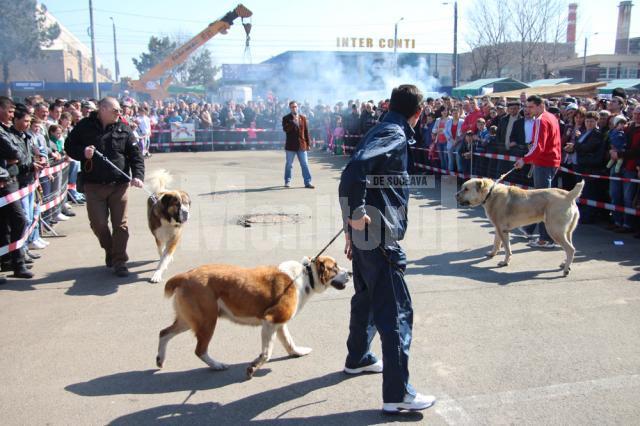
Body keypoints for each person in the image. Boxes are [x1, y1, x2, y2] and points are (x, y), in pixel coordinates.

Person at [339, 84, 435, 413]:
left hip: (368, 233)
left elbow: (356, 175)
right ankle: (398, 393)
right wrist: (355, 215)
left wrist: (350, 224)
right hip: (379, 234)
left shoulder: (382, 128)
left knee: (366, 298)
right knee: (396, 312)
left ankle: (359, 357)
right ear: (418, 113)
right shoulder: (393, 133)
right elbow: (353, 171)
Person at [65, 97, 145, 277]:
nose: (119, 113)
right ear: (102, 109)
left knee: (120, 225)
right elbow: (69, 146)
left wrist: (138, 176)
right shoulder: (84, 126)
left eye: (120, 111)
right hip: (93, 186)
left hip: (119, 185)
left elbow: (136, 156)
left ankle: (120, 261)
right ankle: (110, 250)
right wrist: (82, 153)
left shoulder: (123, 128)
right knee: (98, 224)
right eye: (115, 110)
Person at [515, 95, 562, 248]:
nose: (527, 110)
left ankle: (546, 238)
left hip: (544, 163)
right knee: (539, 198)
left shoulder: (541, 120)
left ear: (541, 105)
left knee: (543, 201)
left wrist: (524, 159)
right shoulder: (551, 117)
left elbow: (537, 146)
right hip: (551, 161)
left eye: (531, 107)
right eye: (527, 107)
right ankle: (529, 228)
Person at [0, 97, 34, 278]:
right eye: (10, 112)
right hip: (5, 181)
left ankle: (13, 261)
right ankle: (15, 261)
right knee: (19, 219)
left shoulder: (6, 131)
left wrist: (12, 158)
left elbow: (18, 153)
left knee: (9, 222)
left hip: (10, 179)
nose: (12, 116)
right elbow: (13, 152)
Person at [282, 101, 314, 188]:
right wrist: (293, 122)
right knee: (289, 164)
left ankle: (308, 182)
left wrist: (308, 144)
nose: (294, 108)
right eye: (292, 107)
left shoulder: (303, 118)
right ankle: (287, 181)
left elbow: (306, 132)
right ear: (290, 108)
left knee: (305, 164)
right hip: (290, 146)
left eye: (295, 106)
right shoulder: (286, 118)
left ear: (298, 107)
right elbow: (285, 129)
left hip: (302, 145)